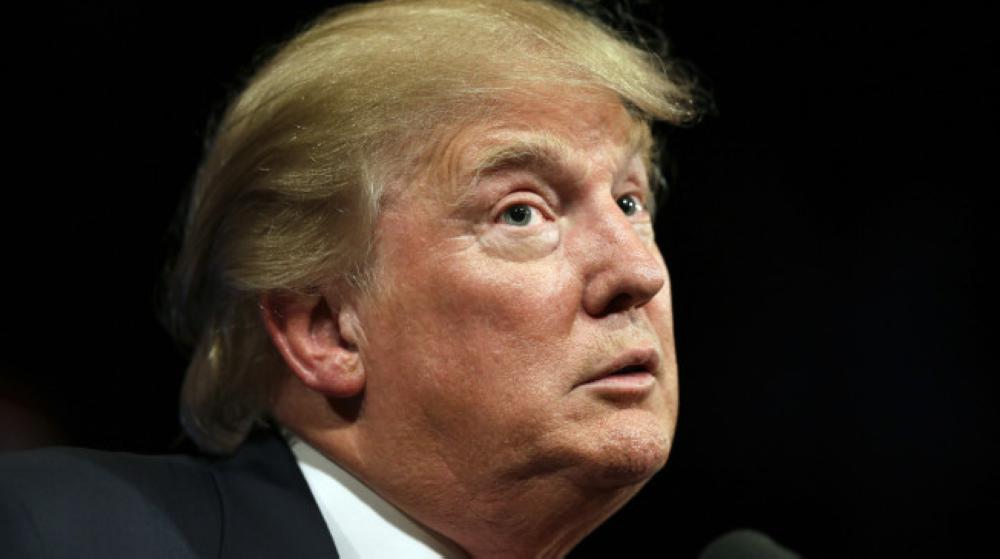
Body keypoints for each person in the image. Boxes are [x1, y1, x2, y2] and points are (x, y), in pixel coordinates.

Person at [0, 0, 698, 556]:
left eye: (631, 202)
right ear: (326, 327)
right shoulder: (53, 533)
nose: (637, 270)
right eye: (521, 212)